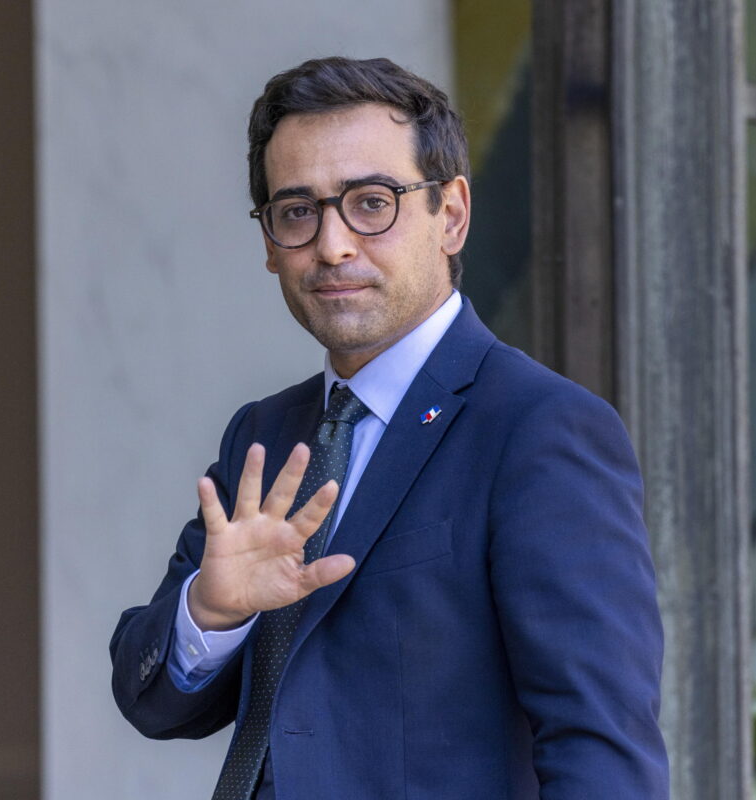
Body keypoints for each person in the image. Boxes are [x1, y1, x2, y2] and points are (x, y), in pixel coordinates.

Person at [110, 56, 668, 799]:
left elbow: (602, 751)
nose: (333, 245)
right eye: (297, 211)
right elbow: (150, 699)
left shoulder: (540, 430)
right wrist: (212, 612)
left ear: (452, 215)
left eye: (372, 203)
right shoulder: (265, 435)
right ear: (269, 243)